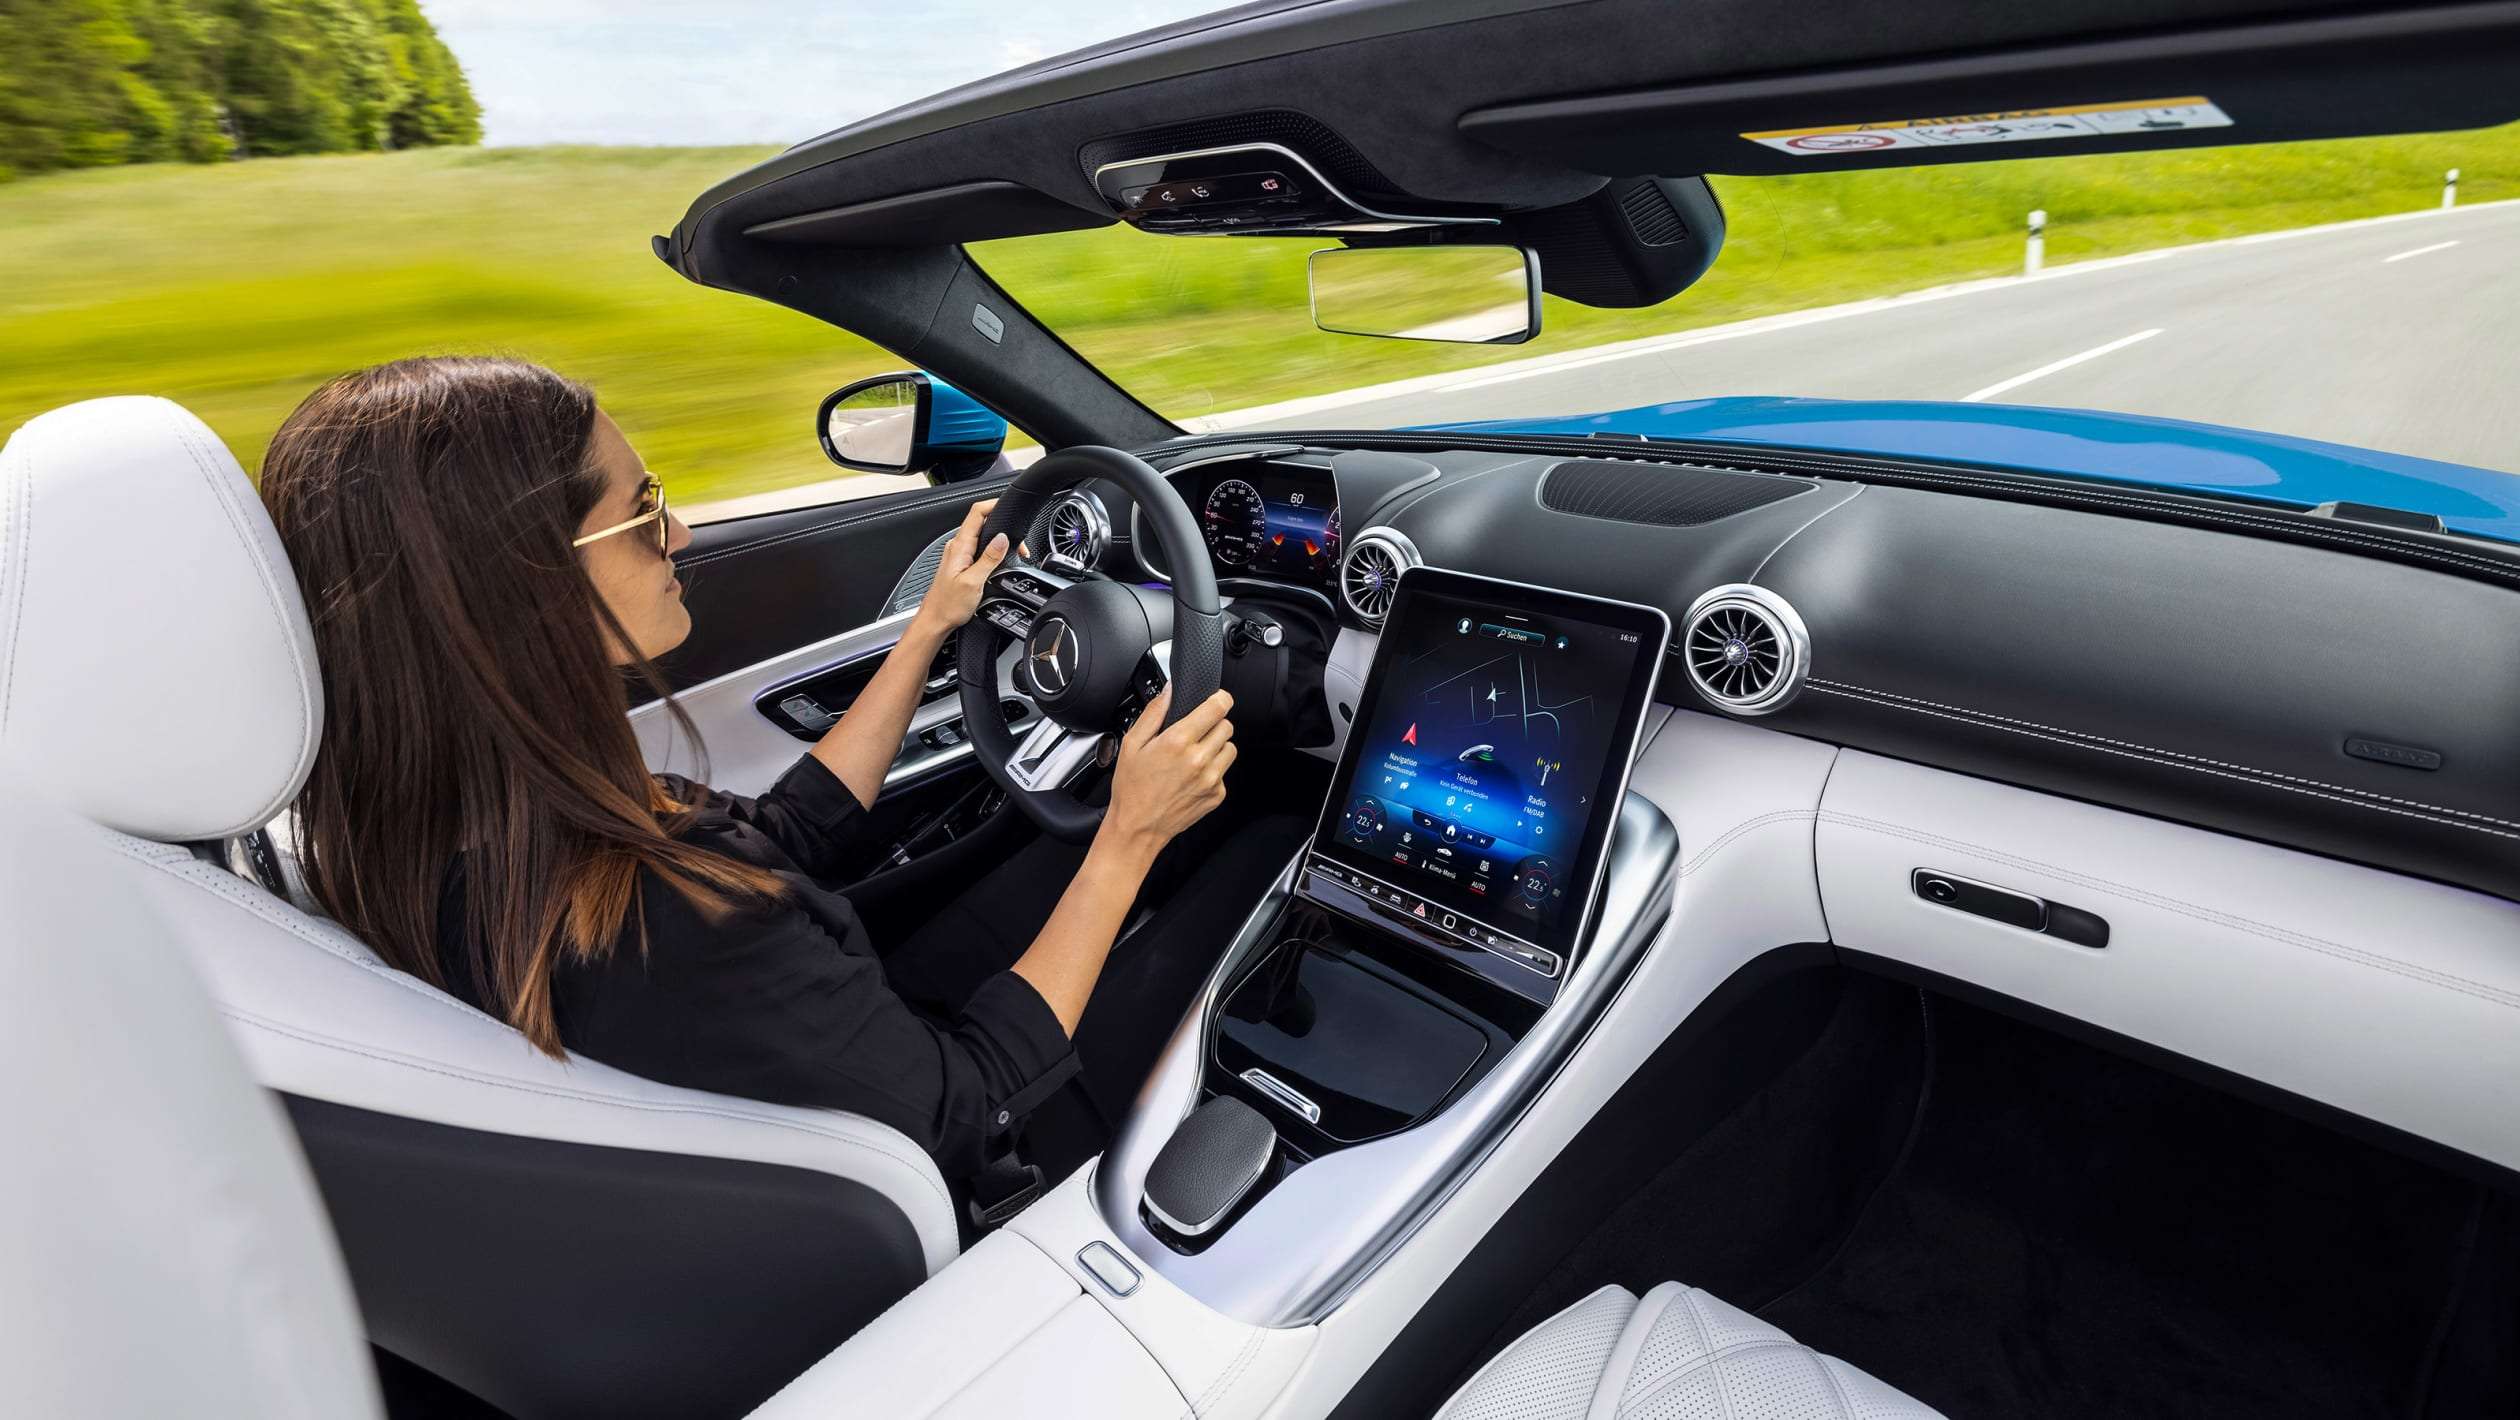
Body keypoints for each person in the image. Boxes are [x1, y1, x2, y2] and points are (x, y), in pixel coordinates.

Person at [258, 354, 1271, 1203]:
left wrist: (927, 632)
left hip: (862, 1065)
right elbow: (974, 1104)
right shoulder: (654, 923)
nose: (684, 535)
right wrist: (1132, 832)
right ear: (527, 582)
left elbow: (784, 833)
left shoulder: (454, 830)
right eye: (644, 506)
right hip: (994, 1166)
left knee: (1055, 849)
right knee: (1261, 842)